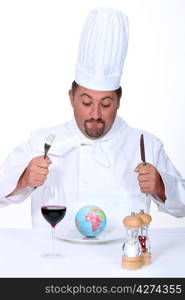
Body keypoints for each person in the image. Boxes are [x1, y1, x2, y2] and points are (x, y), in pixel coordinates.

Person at [0, 8, 185, 229]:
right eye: (86, 103)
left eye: (105, 104)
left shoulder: (145, 144)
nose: (95, 114)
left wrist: (161, 185)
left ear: (118, 102)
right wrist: (23, 179)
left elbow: (183, 206)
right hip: (55, 259)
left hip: (122, 260)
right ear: (71, 98)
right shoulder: (43, 142)